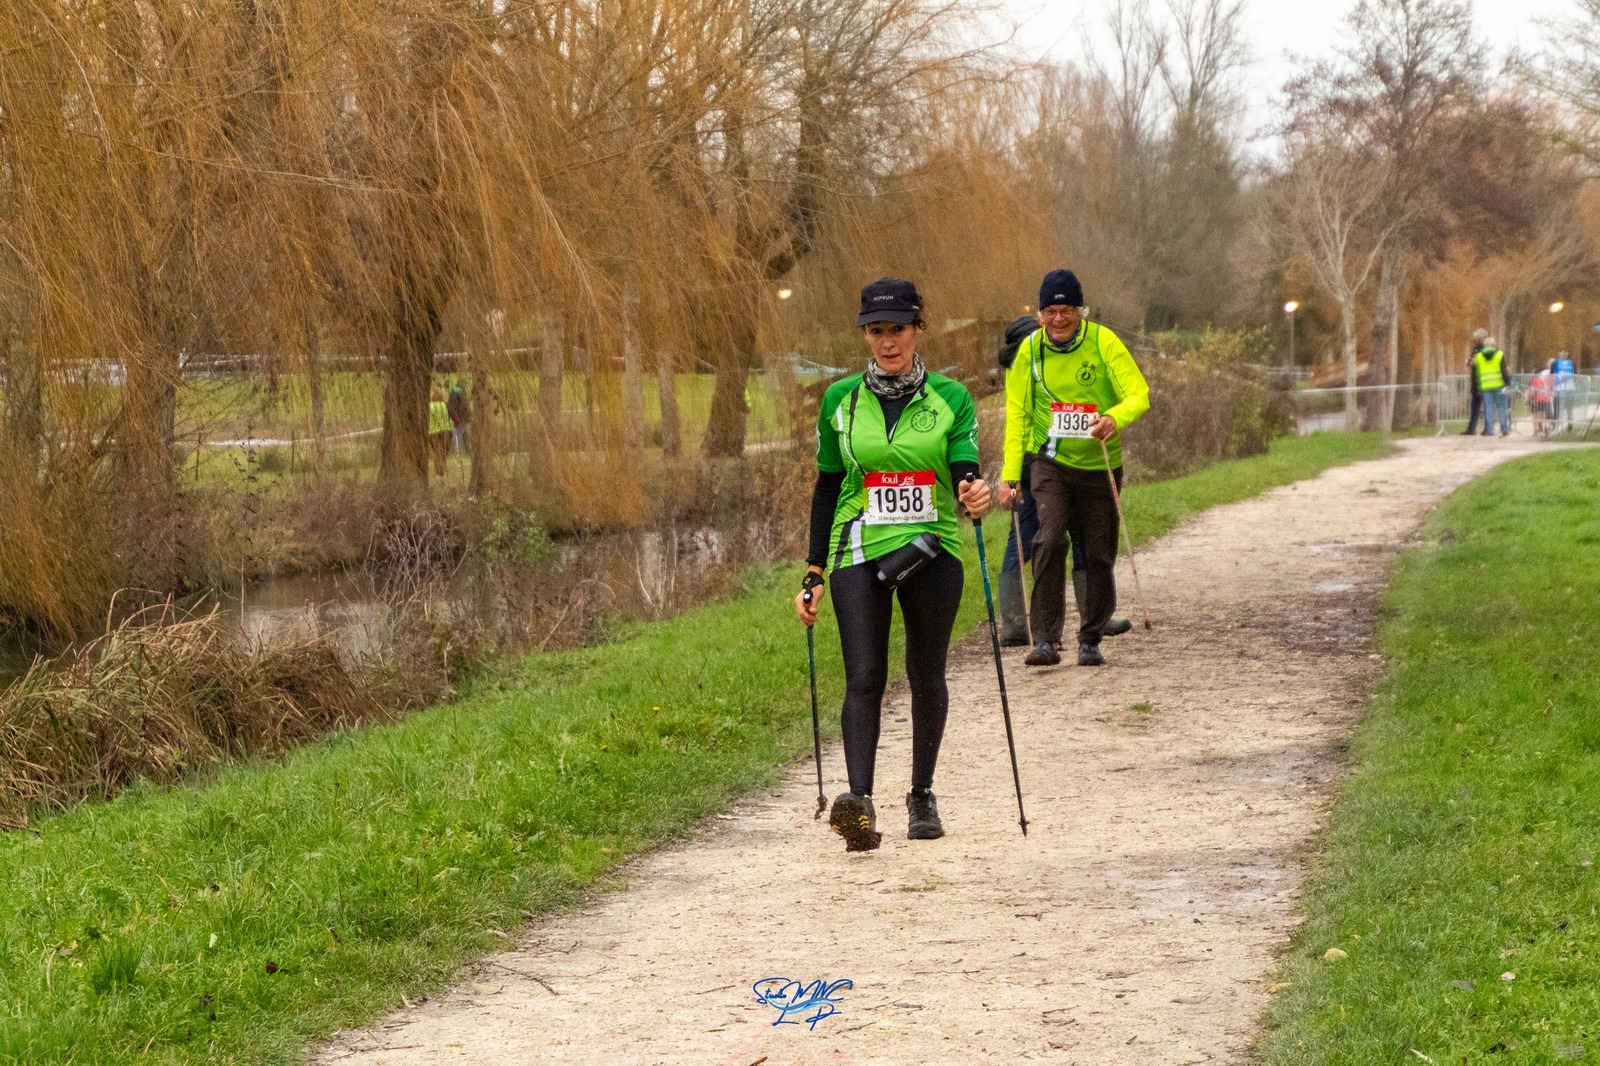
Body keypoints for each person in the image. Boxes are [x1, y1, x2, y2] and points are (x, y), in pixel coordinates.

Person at [795, 277, 991, 852]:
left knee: (926, 673)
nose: (887, 342)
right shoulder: (839, 400)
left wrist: (973, 491)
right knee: (864, 676)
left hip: (931, 545)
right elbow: (828, 486)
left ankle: (921, 794)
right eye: (876, 331)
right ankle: (858, 803)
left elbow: (965, 468)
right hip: (858, 546)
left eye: (898, 329)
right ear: (865, 335)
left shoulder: (951, 398)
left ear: (918, 329)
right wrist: (814, 571)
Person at [999, 270, 1149, 668]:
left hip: (1099, 462)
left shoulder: (1103, 341)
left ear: (1080, 311)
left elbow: (1139, 394)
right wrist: (1010, 476)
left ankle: (1090, 638)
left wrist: (1113, 418)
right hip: (1050, 462)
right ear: (1040, 313)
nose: (1058, 319)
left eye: (1066, 310)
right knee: (1048, 540)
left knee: (1098, 551)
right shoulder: (1029, 351)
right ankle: (1045, 639)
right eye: (1050, 311)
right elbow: (1016, 416)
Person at [1473, 334, 1511, 437]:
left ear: (1485, 345)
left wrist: (1478, 385)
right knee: (1502, 407)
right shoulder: (1499, 354)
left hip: (1485, 385)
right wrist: (1508, 383)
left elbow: (1477, 372)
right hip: (1499, 385)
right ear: (1494, 345)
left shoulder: (1479, 356)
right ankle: (1504, 429)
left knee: (1489, 408)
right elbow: (1504, 370)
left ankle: (1490, 430)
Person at [1462, 329, 1486, 435]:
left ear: (1482, 337)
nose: (1476, 339)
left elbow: (1482, 362)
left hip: (1483, 380)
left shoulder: (1485, 349)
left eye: (1477, 337)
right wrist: (1469, 361)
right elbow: (1472, 360)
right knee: (1474, 406)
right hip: (1475, 380)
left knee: (1485, 406)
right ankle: (1471, 429)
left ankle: (1487, 428)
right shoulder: (1476, 348)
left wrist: (1474, 362)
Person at [1554, 349, 1577, 429]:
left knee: (1569, 408)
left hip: (1570, 389)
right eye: (1561, 351)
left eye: (1565, 352)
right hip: (1558, 389)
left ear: (1568, 353)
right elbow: (1551, 374)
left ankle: (1570, 424)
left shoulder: (1572, 363)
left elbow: (1575, 375)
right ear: (1559, 353)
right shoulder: (1555, 363)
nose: (1563, 353)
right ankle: (1557, 425)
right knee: (1558, 408)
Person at [1529, 363, 1555, 438]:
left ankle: (1535, 431)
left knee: (1535, 417)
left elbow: (1532, 391)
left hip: (1538, 400)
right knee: (1544, 416)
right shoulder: (1547, 380)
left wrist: (1530, 398)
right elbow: (1551, 389)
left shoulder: (1534, 381)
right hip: (1546, 399)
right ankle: (1547, 427)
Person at [446, 382, 470, 451]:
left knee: (460, 433)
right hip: (461, 416)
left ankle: (460, 449)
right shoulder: (460, 393)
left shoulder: (453, 392)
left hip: (457, 416)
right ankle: (457, 450)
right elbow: (463, 406)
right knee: (459, 433)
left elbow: (451, 406)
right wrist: (466, 416)